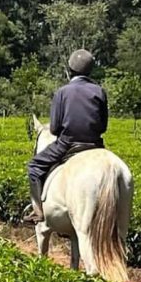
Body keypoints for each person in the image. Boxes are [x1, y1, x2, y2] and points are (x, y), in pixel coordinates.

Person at [23, 49, 108, 224]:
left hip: (68, 144)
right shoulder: (99, 91)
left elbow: (54, 129)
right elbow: (103, 126)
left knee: (34, 166)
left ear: (70, 69)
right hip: (95, 145)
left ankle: (38, 211)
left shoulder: (62, 92)